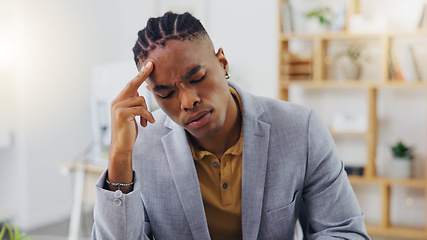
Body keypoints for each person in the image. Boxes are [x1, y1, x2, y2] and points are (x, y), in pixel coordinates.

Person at [91, 12, 370, 240]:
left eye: (197, 77)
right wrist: (119, 157)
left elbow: (344, 231)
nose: (188, 101)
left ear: (222, 62)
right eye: (166, 93)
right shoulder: (141, 147)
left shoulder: (301, 129)